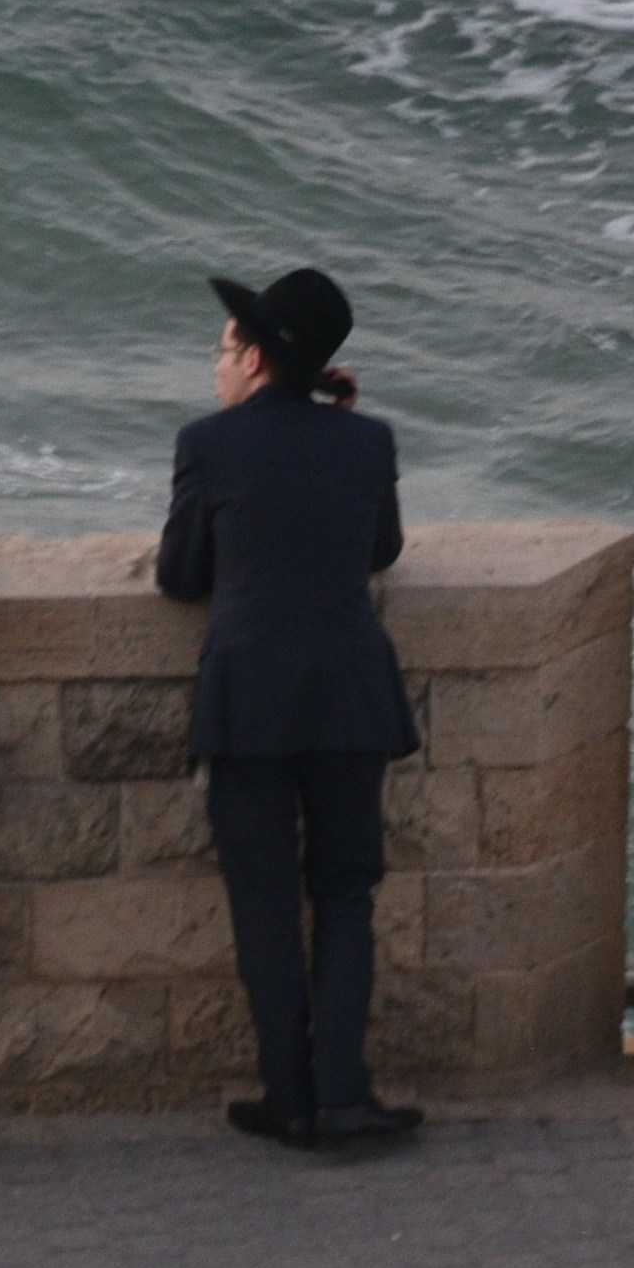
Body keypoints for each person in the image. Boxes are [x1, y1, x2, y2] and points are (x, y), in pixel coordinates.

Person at [159, 266, 420, 1153]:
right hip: (349, 694)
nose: (219, 362)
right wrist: (340, 428)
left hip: (251, 702)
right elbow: (381, 549)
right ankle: (344, 1093)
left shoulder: (211, 444)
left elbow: (179, 576)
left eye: (228, 348)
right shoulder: (368, 441)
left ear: (259, 359)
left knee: (266, 901)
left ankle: (290, 1096)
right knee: (345, 893)